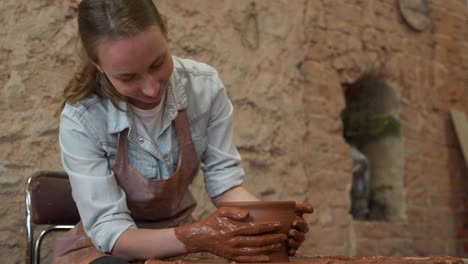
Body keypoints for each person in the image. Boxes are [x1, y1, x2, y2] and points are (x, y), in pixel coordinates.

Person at [54, 1, 313, 263]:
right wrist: (195, 236)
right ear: (99, 66)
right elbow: (111, 232)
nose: (151, 89)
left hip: (184, 243)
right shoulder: (82, 118)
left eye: (157, 64)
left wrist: (273, 226)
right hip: (107, 250)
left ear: (165, 32)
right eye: (128, 78)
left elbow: (225, 185)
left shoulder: (203, 87)